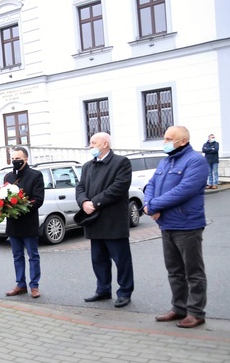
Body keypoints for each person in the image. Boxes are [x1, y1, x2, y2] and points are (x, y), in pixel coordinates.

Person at [145, 126, 210, 328]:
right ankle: (179, 308)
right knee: (174, 270)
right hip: (167, 224)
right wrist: (148, 204)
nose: (164, 141)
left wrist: (154, 205)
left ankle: (196, 312)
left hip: (187, 225)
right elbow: (151, 184)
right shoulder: (166, 161)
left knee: (193, 272)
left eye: (168, 138)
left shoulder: (196, 161)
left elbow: (184, 190)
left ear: (182, 141)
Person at [75, 132, 135, 308]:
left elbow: (119, 188)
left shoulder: (121, 162)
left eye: (93, 143)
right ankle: (103, 289)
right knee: (99, 259)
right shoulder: (87, 166)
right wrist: (84, 202)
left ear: (105, 144)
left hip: (113, 221)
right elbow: (80, 187)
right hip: (93, 220)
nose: (90, 146)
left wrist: (94, 202)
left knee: (121, 260)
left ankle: (124, 292)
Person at [3, 147, 45, 299]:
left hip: (28, 222)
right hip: (13, 224)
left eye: (17, 158)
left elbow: (38, 199)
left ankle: (34, 286)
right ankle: (20, 284)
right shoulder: (8, 176)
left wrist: (21, 207)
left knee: (33, 255)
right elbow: (2, 197)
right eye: (13, 159)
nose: (15, 161)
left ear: (26, 159)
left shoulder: (35, 175)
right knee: (17, 256)